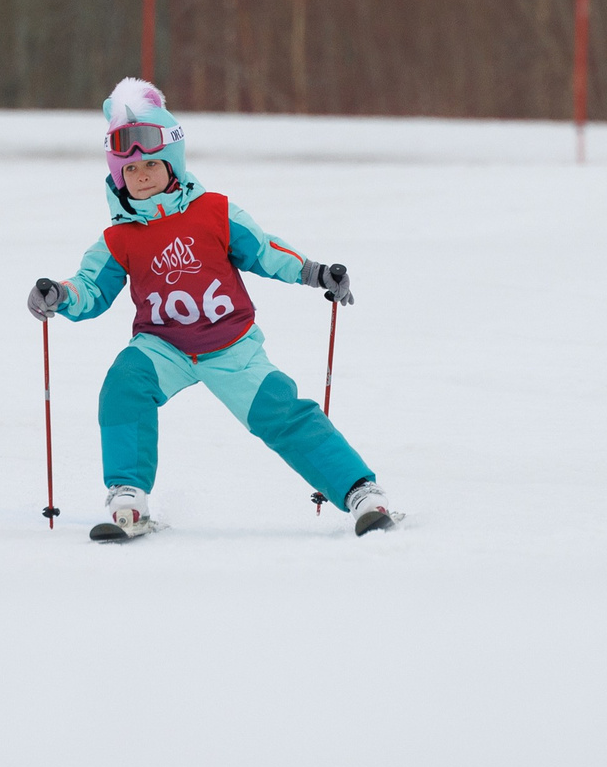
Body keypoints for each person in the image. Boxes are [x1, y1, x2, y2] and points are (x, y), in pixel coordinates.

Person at [27, 77, 396, 540]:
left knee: (280, 411)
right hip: (163, 346)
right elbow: (90, 289)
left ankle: (361, 491)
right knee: (124, 385)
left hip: (230, 345)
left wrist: (316, 272)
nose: (141, 178)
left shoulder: (214, 212)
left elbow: (266, 252)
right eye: (131, 173)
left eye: (151, 166)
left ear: (173, 164)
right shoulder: (118, 239)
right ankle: (127, 496)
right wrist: (59, 296)